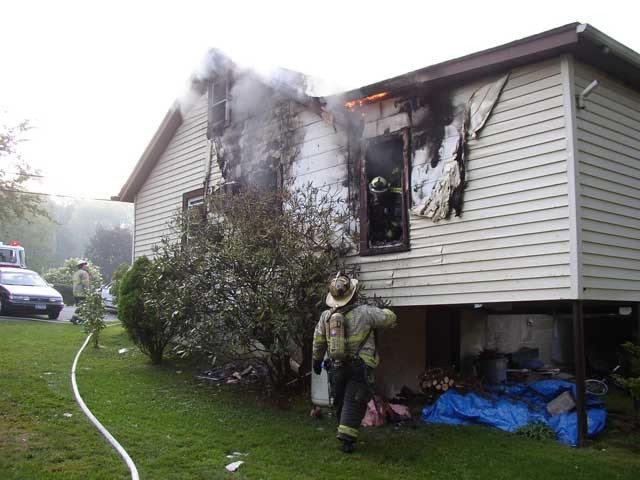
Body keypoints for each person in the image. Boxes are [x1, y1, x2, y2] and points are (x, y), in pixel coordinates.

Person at [312, 272, 396, 453]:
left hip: (336, 366)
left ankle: (342, 431)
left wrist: (316, 361)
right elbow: (390, 318)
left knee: (340, 399)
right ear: (353, 294)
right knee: (355, 401)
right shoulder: (365, 312)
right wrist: (383, 310)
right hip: (360, 366)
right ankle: (347, 441)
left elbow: (318, 341)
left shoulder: (326, 317)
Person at [71, 260, 90, 324]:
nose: (86, 266)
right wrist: (88, 292)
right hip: (82, 293)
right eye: (85, 265)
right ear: (82, 266)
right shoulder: (84, 273)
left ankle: (79, 319)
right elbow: (85, 284)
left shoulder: (76, 273)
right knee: (82, 307)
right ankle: (74, 318)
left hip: (75, 292)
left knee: (80, 307)